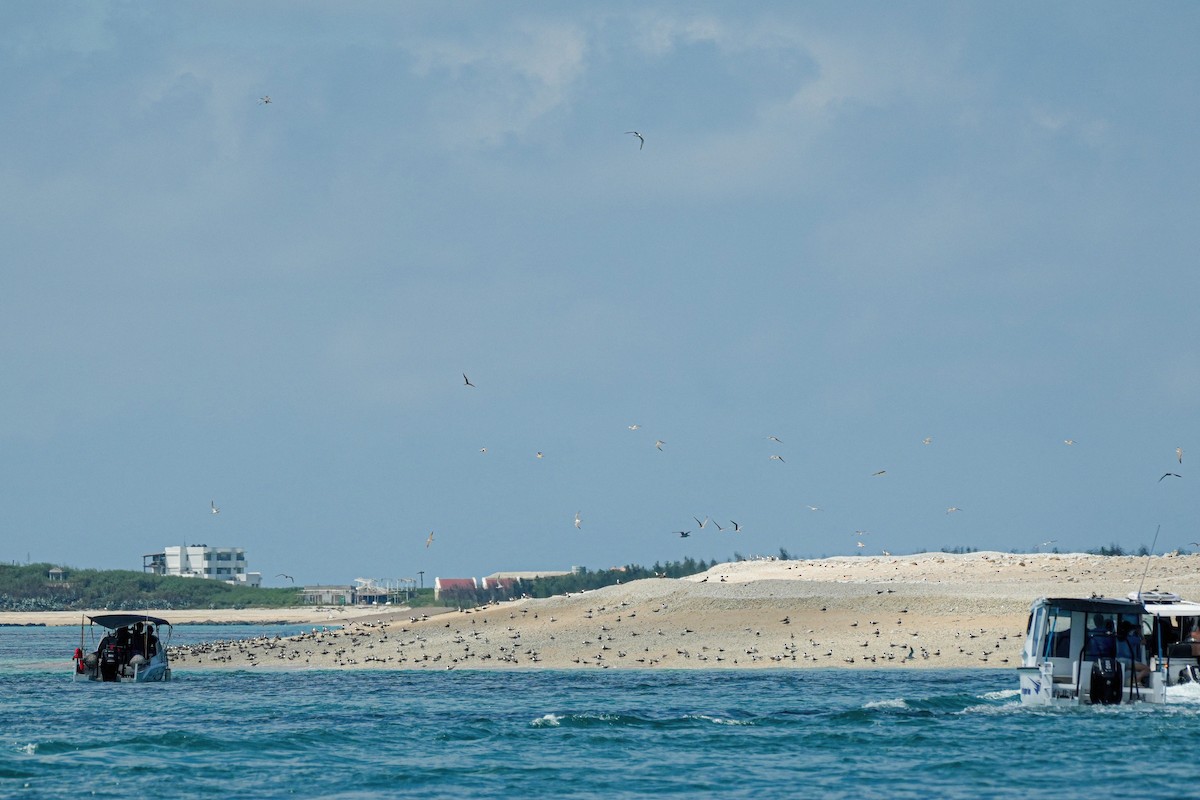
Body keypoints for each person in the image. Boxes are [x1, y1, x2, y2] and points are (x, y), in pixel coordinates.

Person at [1116, 619, 1150, 685]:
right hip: (1128, 661)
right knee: (1147, 669)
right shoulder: (1131, 638)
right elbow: (1144, 642)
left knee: (1131, 671)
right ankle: (1133, 681)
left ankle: (1130, 681)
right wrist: (1140, 633)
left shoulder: (1117, 638)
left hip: (1118, 660)